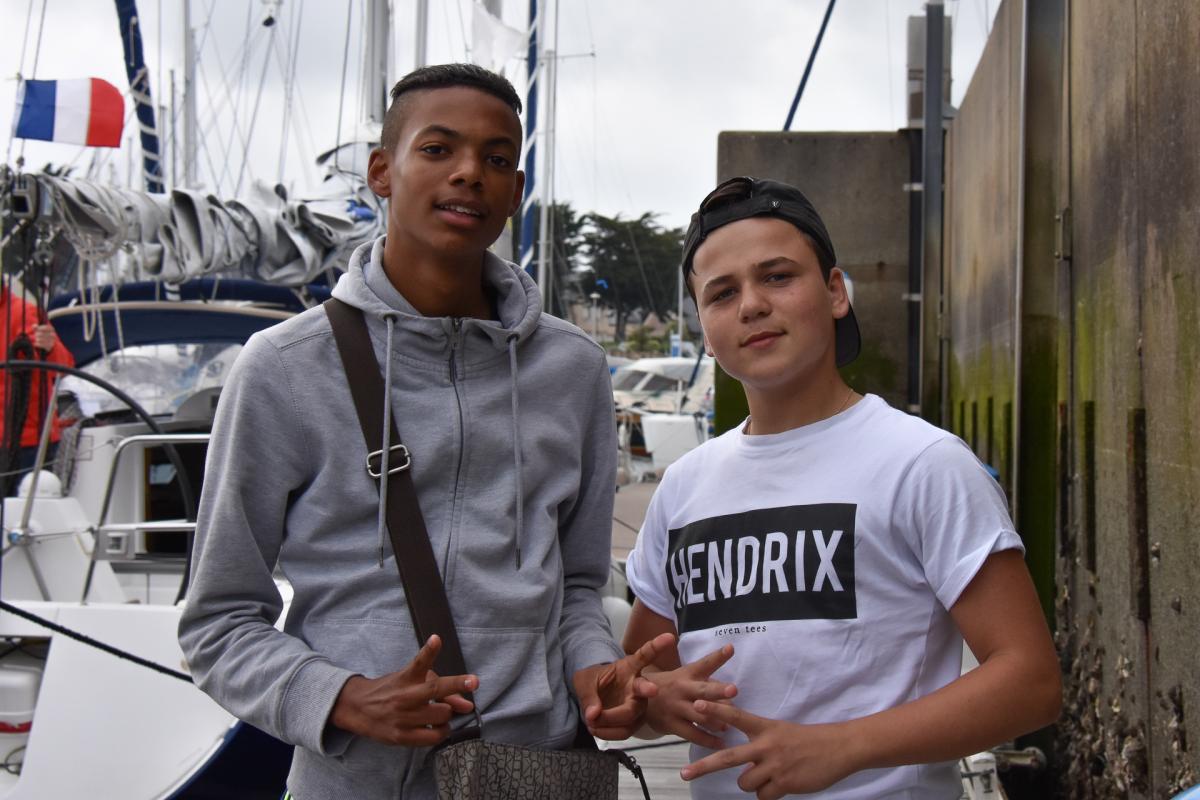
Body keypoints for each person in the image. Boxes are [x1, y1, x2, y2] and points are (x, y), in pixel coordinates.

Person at [178, 64, 667, 799]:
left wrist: (597, 673)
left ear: (516, 191)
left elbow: (574, 588)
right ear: (382, 170)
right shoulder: (282, 368)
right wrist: (341, 697)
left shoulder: (573, 369)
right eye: (438, 149)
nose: (469, 172)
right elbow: (216, 622)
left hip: (541, 772)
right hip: (356, 785)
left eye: (496, 158)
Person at [621, 176, 1062, 799]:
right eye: (722, 293)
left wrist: (845, 745)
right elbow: (642, 681)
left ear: (834, 292)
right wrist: (651, 700)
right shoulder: (682, 487)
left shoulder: (923, 464)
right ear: (704, 328)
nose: (751, 305)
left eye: (777, 276)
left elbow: (1031, 682)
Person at [1, 285, 74, 495]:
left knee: (23, 510)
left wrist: (50, 347)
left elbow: (64, 366)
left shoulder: (25, 313)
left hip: (26, 443)